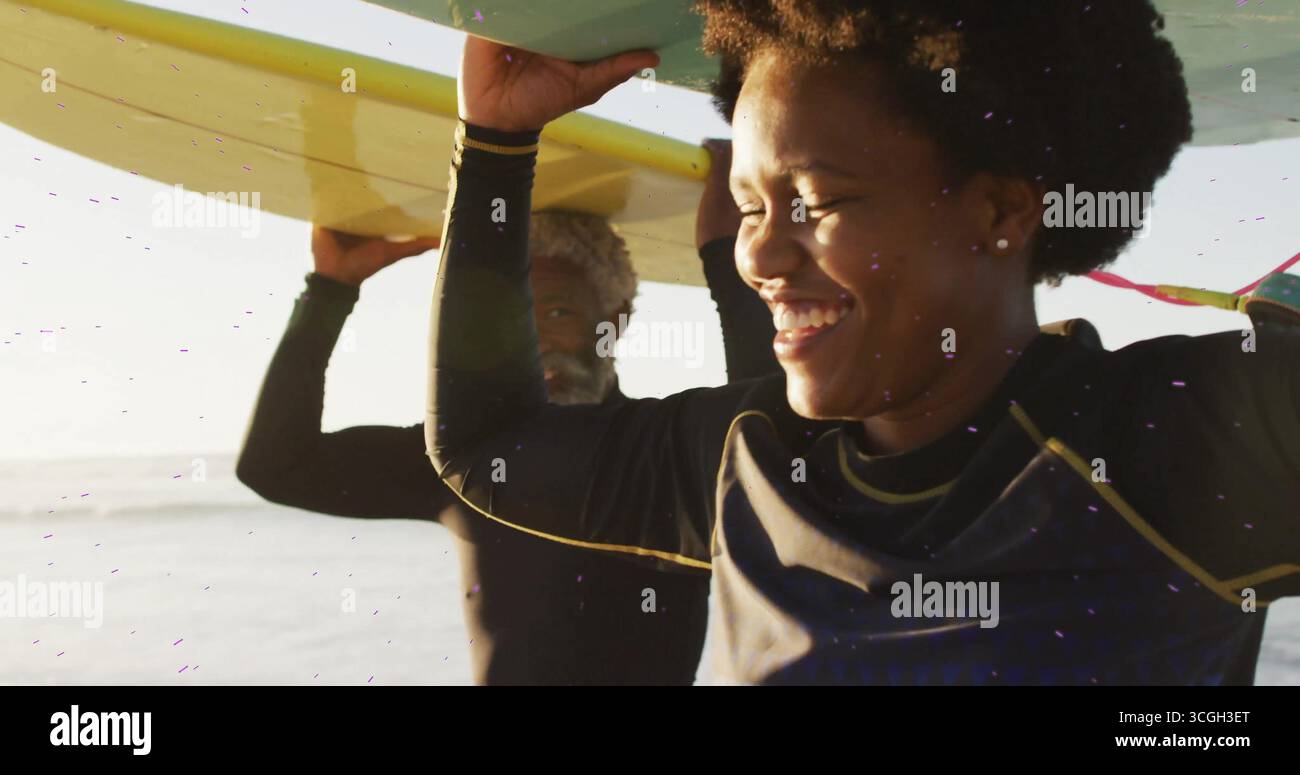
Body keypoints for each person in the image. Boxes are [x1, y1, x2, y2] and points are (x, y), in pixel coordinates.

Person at [425, 1, 1300, 685]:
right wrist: (497, 143)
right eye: (752, 205)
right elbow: (488, 444)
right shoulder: (750, 460)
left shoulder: (1186, 443)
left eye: (818, 201)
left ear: (1001, 210)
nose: (759, 255)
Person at [237, 176, 776, 684]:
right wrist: (331, 287)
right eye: (518, 323)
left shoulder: (661, 454)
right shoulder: (465, 460)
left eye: (560, 311)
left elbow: (773, 455)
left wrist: (729, 267)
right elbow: (276, 466)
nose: (536, 343)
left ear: (614, 320)